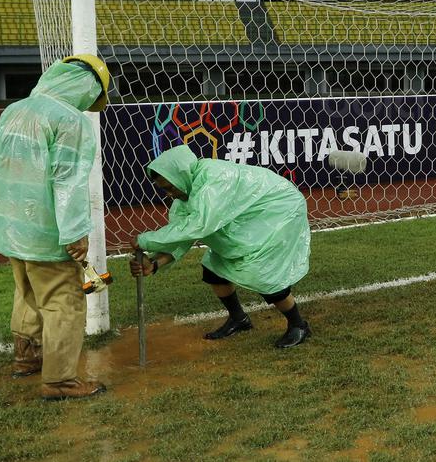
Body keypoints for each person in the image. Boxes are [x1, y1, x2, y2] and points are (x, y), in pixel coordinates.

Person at [0, 54, 111, 400]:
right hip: (47, 230)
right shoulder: (70, 121)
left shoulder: (15, 110)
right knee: (63, 301)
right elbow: (67, 181)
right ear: (86, 87)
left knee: (27, 291)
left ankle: (26, 356)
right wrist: (75, 231)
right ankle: (60, 380)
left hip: (12, 226)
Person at [129, 144, 312, 348]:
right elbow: (182, 237)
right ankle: (239, 319)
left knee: (261, 271)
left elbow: (200, 224)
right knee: (214, 267)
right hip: (251, 215)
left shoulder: (214, 178)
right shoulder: (185, 196)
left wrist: (145, 240)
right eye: (165, 189)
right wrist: (154, 263)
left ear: (181, 174)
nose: (169, 194)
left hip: (279, 209)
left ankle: (299, 325)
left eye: (170, 187)